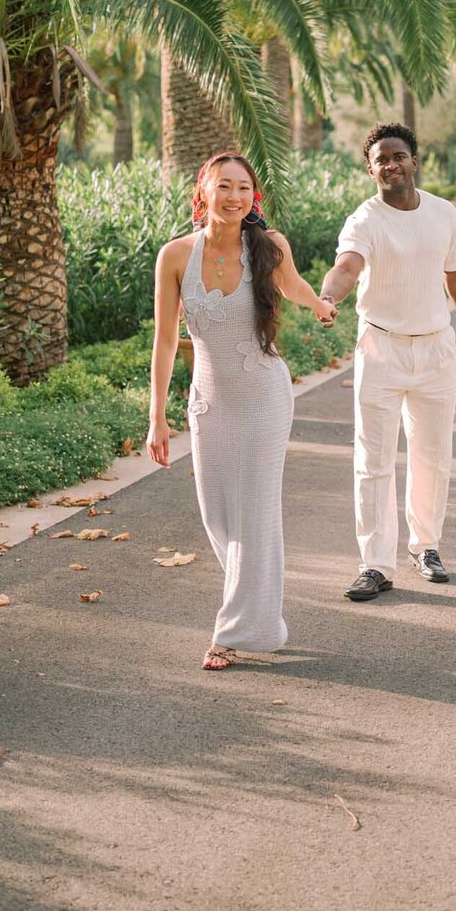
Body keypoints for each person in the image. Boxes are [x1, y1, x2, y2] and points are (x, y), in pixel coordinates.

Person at [148, 153, 336, 670]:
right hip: (210, 403)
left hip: (263, 397)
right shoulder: (175, 256)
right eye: (223, 186)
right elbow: (166, 342)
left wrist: (318, 304)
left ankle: (231, 632)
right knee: (218, 516)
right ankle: (258, 614)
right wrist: (156, 416)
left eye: (244, 188)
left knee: (254, 514)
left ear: (254, 197)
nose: (234, 196)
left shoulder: (268, 246)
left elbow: (291, 285)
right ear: (202, 193)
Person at [319, 122, 456, 600]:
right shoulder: (366, 219)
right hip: (381, 348)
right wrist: (328, 296)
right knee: (373, 460)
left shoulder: (442, 214)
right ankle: (375, 565)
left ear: (414, 161)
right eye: (381, 159)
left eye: (398, 155)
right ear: (371, 169)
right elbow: (347, 266)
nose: (391, 164)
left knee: (432, 454)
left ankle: (426, 547)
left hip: (436, 349)